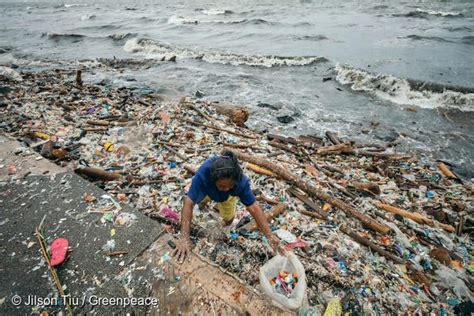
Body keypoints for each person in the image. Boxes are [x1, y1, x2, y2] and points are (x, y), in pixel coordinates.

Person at [173, 150, 285, 263]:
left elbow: (254, 207)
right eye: (222, 186)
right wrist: (184, 238)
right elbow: (188, 203)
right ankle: (204, 202)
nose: (226, 188)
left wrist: (270, 235)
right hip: (207, 190)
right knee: (199, 199)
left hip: (227, 197)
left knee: (229, 218)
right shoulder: (204, 175)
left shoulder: (240, 182)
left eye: (229, 186)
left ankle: (221, 214)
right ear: (213, 179)